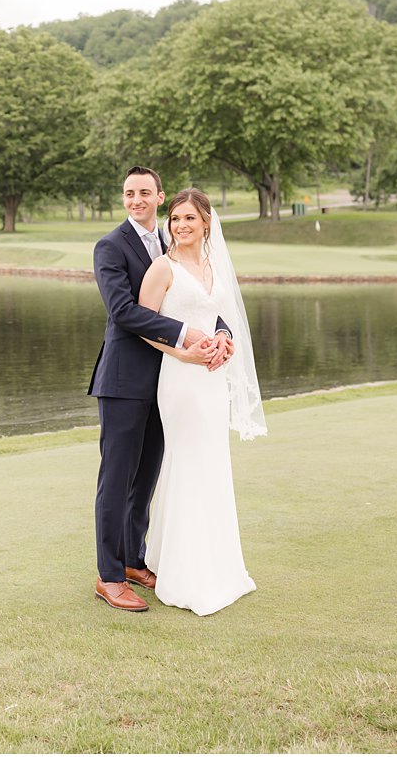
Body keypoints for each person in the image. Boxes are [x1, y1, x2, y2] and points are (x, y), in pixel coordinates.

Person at [88, 166, 234, 613]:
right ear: (124, 198)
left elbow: (207, 298)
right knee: (117, 479)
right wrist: (189, 335)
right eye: (129, 193)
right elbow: (124, 312)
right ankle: (109, 576)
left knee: (146, 478)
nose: (136, 199)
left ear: (159, 197)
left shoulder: (172, 246)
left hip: (169, 381)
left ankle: (134, 560)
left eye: (145, 192)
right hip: (125, 381)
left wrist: (220, 335)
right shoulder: (110, 247)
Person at [137, 187, 266, 616]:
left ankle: (219, 566)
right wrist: (184, 352)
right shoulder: (162, 268)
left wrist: (225, 341)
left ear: (206, 223)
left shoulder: (214, 265)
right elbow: (144, 325)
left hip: (212, 380)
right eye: (175, 219)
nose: (181, 226)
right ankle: (185, 574)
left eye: (190, 218)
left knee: (212, 465)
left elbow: (222, 316)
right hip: (179, 379)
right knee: (187, 464)